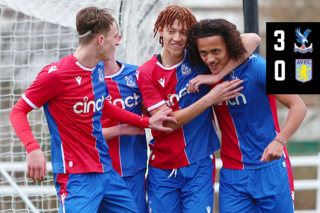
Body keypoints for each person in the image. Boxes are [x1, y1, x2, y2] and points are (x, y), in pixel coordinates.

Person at [9, 7, 177, 213]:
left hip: (107, 171)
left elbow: (102, 105)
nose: (118, 42)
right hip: (76, 178)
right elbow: (17, 111)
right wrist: (33, 148)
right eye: (115, 37)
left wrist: (146, 122)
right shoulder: (55, 75)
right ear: (100, 40)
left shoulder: (96, 70)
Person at [135, 5, 261, 213]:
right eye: (171, 31)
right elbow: (166, 123)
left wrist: (216, 76)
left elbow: (253, 39)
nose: (177, 38)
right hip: (162, 166)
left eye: (184, 32)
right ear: (160, 30)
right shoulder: (145, 72)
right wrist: (209, 98)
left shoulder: (199, 60)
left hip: (199, 163)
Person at [187, 18, 307, 213]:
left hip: (271, 168)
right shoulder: (203, 74)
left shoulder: (258, 67)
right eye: (204, 53)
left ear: (231, 45)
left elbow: (298, 106)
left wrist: (280, 140)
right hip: (232, 175)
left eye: (216, 51)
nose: (210, 59)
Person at [100, 40, 148, 212]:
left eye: (107, 37)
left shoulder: (137, 74)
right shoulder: (85, 82)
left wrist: (148, 111)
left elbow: (155, 114)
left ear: (117, 40)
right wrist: (121, 129)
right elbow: (81, 133)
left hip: (133, 168)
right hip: (99, 172)